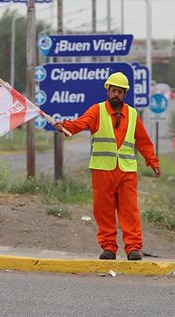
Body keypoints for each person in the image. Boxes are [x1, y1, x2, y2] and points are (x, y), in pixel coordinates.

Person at [53, 71, 161, 261]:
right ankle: (109, 248)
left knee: (130, 211)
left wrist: (153, 161)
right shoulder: (97, 111)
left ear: (125, 94)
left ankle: (133, 248)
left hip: (126, 171)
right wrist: (66, 126)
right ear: (108, 91)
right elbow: (81, 123)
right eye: (113, 90)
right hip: (103, 170)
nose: (116, 94)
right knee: (104, 211)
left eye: (120, 91)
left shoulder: (133, 114)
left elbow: (143, 141)